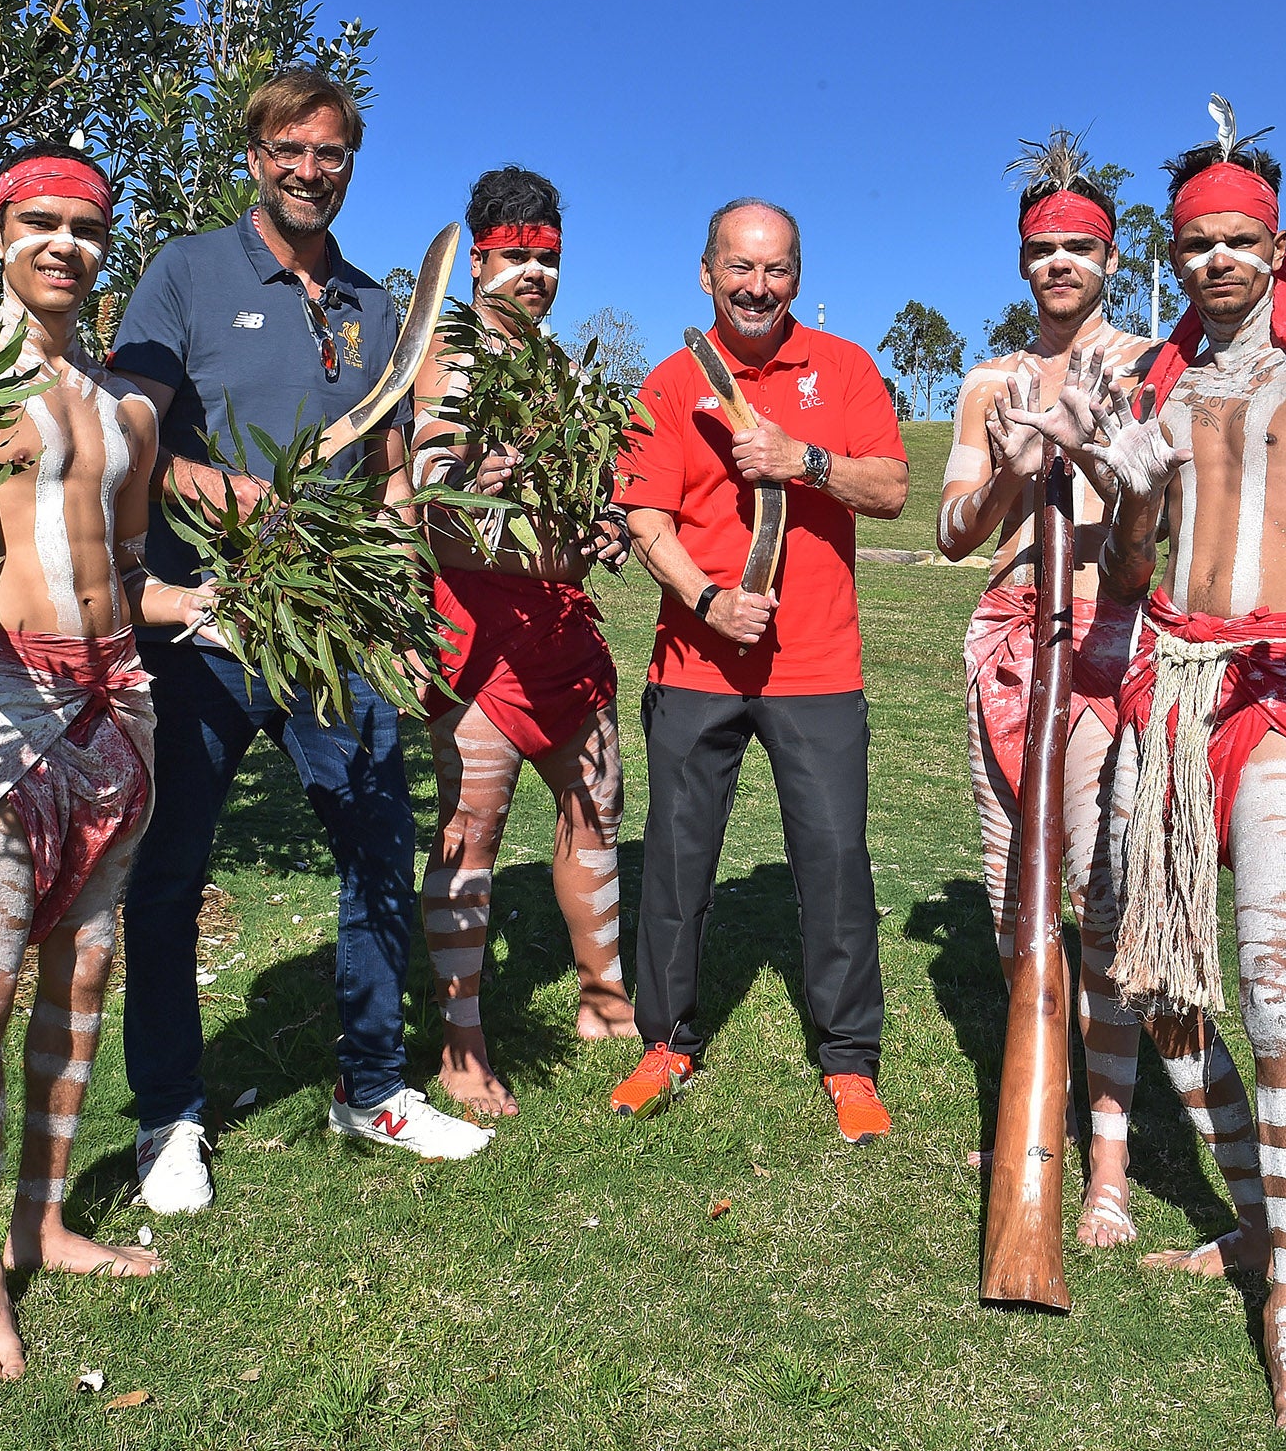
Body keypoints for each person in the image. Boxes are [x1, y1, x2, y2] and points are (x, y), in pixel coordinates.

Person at [1042, 107, 1286, 1442]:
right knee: (1152, 970)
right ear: (1175, 247)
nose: (1217, 259)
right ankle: (1253, 1227)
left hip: (1276, 696)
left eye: (1239, 241)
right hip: (1166, 691)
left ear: (1277, 245)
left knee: (1277, 989)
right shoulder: (1154, 380)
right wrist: (1130, 494)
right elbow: (1130, 574)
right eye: (1196, 241)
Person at [111, 69, 492, 1215]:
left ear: (348, 165)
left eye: (329, 154)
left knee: (377, 856)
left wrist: (396, 603)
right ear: (253, 156)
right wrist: (218, 490)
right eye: (287, 150)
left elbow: (387, 486)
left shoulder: (380, 308)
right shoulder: (184, 272)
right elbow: (131, 439)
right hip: (204, 624)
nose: (308, 171)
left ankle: (370, 1083)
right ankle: (168, 1116)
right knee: (169, 875)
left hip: (331, 634)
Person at [0, 142, 219, 1377]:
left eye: (86, 227)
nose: (64, 245)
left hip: (112, 711)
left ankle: (44, 1220)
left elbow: (130, 578)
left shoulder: (125, 408)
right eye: (40, 223)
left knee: (82, 977)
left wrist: (231, 595)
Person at [611, 198, 908, 1142]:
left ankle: (849, 1058)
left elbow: (893, 488)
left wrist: (804, 459)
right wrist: (707, 601)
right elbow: (646, 521)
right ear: (707, 275)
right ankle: (667, 1039)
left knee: (833, 857)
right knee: (678, 859)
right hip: (696, 662)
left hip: (817, 667)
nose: (757, 285)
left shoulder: (845, 368)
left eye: (776, 269)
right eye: (739, 267)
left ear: (798, 277)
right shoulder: (666, 385)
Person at [936, 130, 1157, 1248]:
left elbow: (1163, 538)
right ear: (1020, 261)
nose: (1056, 262)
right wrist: (1016, 471)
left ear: (1111, 258)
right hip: (1005, 635)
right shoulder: (989, 382)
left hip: (1108, 642)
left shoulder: (1147, 368)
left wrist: (1107, 471)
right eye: (1039, 247)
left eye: (1077, 245)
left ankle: (1108, 1154)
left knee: (1101, 892)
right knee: (1010, 886)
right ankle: (1036, 1106)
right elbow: (947, 532)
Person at [408, 167, 637, 1116]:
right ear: (479, 260)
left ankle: (605, 999)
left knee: (598, 813)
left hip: (567, 641)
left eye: (547, 258)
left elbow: (601, 483)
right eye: (513, 258)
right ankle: (462, 1043)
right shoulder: (448, 359)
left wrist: (612, 524)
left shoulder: (563, 368)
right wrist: (508, 510)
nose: (534, 275)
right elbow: (430, 505)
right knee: (472, 835)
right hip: (482, 643)